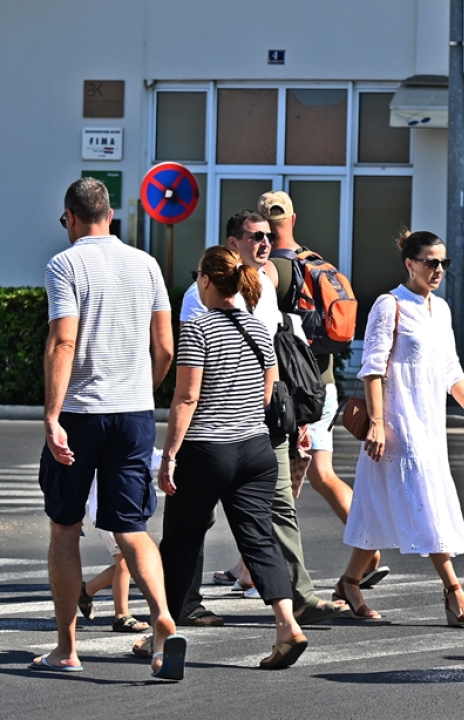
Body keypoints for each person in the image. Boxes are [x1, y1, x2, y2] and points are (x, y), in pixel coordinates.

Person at [36, 177, 184, 679]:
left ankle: (66, 649)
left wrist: (52, 416)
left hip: (81, 412)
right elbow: (164, 347)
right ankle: (163, 618)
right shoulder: (146, 265)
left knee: (65, 527)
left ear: (71, 217)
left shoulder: (66, 264)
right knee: (132, 526)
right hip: (134, 412)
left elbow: (62, 342)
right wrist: (144, 387)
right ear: (111, 216)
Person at [173, 210, 347, 628]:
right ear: (234, 243)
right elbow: (205, 371)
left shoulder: (265, 286)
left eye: (269, 236)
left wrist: (291, 416)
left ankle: (298, 599)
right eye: (255, 236)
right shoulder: (201, 297)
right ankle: (195, 605)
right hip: (230, 429)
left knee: (277, 509)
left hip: (253, 424)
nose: (265, 243)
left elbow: (272, 358)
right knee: (204, 522)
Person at [157, 246, 309, 670]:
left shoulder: (197, 328)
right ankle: (286, 625)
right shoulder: (258, 329)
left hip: (208, 448)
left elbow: (186, 398)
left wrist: (170, 455)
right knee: (259, 538)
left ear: (205, 280)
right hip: (256, 449)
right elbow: (267, 393)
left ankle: (162, 632)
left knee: (182, 541)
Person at [337, 231, 464, 624]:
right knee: (426, 502)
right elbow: (372, 368)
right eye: (430, 262)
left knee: (376, 511)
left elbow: (450, 370)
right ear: (410, 263)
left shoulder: (440, 310)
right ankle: (455, 592)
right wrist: (376, 424)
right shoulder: (389, 305)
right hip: (396, 425)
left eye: (443, 263)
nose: (438, 269)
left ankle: (350, 581)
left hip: (429, 424)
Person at [262, 191, 388, 589]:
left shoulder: (273, 271)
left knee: (281, 481)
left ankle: (368, 548)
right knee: (316, 474)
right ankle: (367, 547)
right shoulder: (316, 263)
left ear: (263, 226)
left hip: (292, 392)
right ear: (294, 220)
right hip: (325, 387)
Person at [78, 476, 149, 633]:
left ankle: (86, 591)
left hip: (130, 511)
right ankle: (121, 616)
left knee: (131, 562)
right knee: (124, 561)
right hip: (107, 512)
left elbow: (150, 459)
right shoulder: (99, 452)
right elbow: (82, 476)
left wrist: (171, 460)